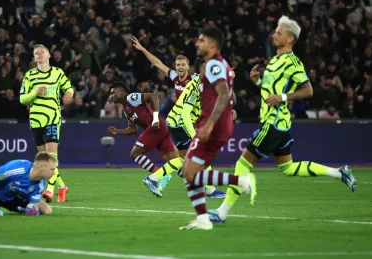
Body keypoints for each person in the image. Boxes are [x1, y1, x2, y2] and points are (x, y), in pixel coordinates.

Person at [208, 16, 357, 224]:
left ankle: (222, 213)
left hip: (274, 123)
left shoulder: (293, 63)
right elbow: (272, 91)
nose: (274, 34)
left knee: (243, 162)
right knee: (287, 168)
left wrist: (283, 98)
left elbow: (308, 90)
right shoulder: (275, 60)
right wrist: (258, 81)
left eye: (279, 32)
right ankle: (338, 172)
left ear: (290, 38)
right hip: (279, 123)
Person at [179, 28, 257, 230]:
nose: (197, 43)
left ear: (213, 45)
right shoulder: (221, 65)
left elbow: (223, 95)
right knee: (189, 171)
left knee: (189, 172)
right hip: (218, 124)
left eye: (201, 40)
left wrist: (210, 124)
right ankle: (204, 220)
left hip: (213, 126)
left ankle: (240, 180)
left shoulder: (214, 64)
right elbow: (228, 96)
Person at [20, 44, 74, 203]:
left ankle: (50, 190)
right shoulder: (29, 75)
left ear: (49, 55)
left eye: (41, 52)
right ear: (34, 57)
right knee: (43, 160)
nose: (39, 54)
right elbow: (22, 98)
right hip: (35, 120)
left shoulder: (58, 73)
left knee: (51, 157)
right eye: (36, 53)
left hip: (52, 118)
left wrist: (69, 94)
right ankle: (62, 186)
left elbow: (69, 88)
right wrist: (34, 92)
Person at [107, 82, 180, 197]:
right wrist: (118, 131)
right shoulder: (126, 111)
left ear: (121, 92)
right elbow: (133, 129)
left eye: (113, 92)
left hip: (156, 126)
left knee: (134, 154)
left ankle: (156, 177)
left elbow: (153, 96)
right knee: (173, 161)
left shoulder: (131, 98)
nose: (111, 96)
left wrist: (155, 119)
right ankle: (202, 182)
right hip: (160, 129)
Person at [132, 36, 197, 98]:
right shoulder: (174, 75)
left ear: (188, 67)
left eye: (183, 65)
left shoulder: (195, 77)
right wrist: (143, 50)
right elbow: (158, 63)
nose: (180, 67)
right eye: (178, 65)